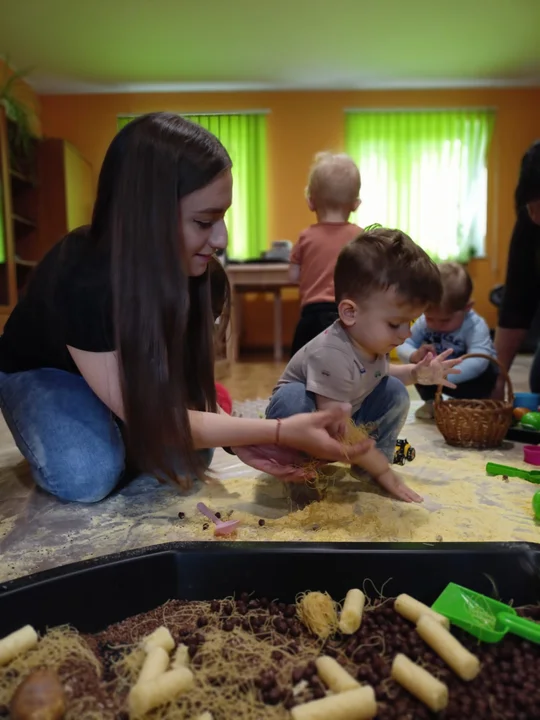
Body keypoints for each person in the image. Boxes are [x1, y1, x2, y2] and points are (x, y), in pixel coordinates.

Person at [0, 113, 371, 503]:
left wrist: (233, 438)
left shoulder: (200, 277)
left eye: (223, 217)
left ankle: (114, 418)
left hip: (120, 371)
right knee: (87, 474)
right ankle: (102, 421)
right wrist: (273, 432)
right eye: (204, 221)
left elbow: (186, 378)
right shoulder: (85, 277)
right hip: (47, 372)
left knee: (192, 455)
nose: (222, 239)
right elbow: (155, 420)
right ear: (147, 216)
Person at [234, 228, 461, 503]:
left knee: (395, 391)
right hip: (307, 423)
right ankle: (299, 471)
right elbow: (340, 429)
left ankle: (363, 470)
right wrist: (382, 471)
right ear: (350, 312)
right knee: (293, 398)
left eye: (410, 323)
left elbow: (378, 375)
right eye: (395, 323)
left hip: (340, 417)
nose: (406, 334)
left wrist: (416, 373)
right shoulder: (332, 353)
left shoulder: (371, 340)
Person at [397, 262, 497, 419]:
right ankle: (431, 402)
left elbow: (479, 359)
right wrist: (414, 355)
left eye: (444, 320)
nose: (435, 324)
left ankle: (471, 405)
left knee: (489, 368)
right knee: (420, 366)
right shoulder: (424, 321)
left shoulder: (474, 325)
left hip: (466, 378)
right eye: (430, 318)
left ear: (467, 307)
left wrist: (446, 375)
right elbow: (404, 343)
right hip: (435, 376)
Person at [288, 152, 362, 357]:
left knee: (302, 368)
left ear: (310, 202)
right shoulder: (359, 237)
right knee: (350, 368)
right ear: (356, 204)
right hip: (348, 316)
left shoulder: (306, 237)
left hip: (312, 315)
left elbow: (292, 276)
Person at [493, 140, 540, 397]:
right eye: (531, 207)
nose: (536, 218)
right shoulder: (529, 223)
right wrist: (498, 377)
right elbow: (517, 303)